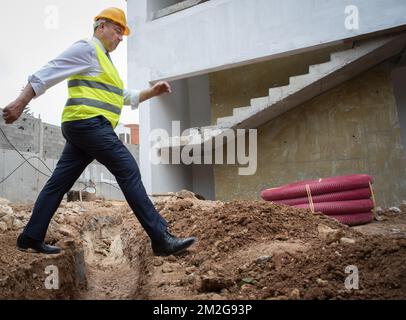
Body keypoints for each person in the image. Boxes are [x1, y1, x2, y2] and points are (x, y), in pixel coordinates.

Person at [2, 7, 196, 255]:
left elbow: (124, 96)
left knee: (58, 183)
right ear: (100, 27)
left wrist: (152, 92)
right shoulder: (87, 48)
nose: (120, 38)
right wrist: (21, 102)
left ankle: (30, 236)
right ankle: (160, 238)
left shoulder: (106, 62)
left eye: (122, 34)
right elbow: (48, 72)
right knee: (128, 169)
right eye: (117, 31)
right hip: (89, 124)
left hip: (82, 127)